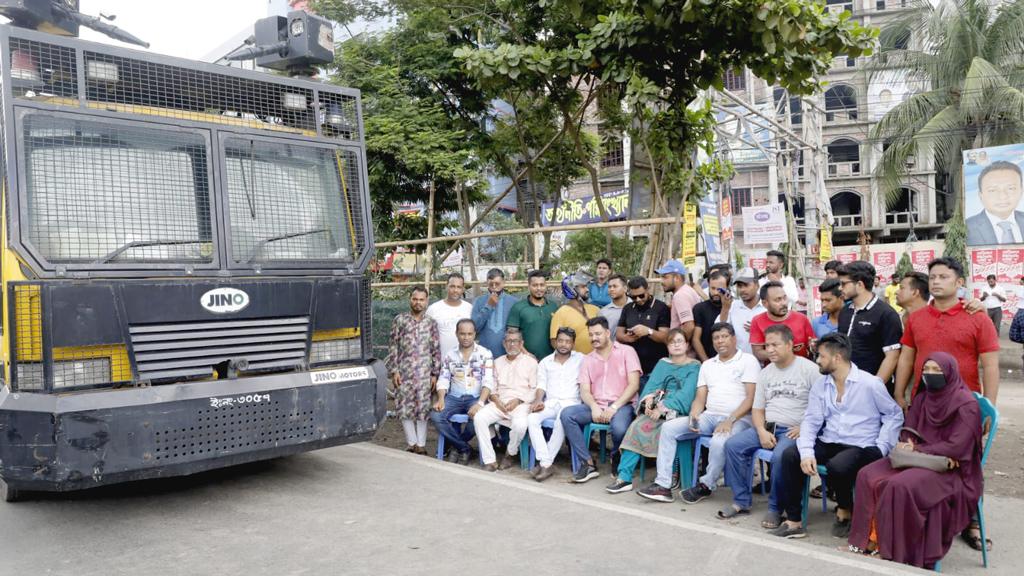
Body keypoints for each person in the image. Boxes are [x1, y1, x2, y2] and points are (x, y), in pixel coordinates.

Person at [847, 353, 983, 568]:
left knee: (899, 485)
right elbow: (909, 429)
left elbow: (957, 447)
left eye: (937, 371)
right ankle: (865, 543)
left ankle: (891, 549)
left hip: (948, 468)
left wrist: (918, 448)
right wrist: (907, 442)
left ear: (950, 372)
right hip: (916, 457)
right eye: (926, 370)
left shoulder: (966, 404)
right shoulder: (923, 398)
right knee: (866, 474)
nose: (930, 375)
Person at [772, 333, 903, 539]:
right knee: (790, 455)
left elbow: (894, 415)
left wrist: (882, 446)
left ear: (837, 358)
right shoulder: (821, 385)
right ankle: (794, 521)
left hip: (861, 445)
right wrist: (806, 452)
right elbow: (812, 420)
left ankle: (845, 509)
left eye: (821, 356)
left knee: (838, 466)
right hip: (830, 440)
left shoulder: (870, 384)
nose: (817, 361)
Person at [637, 322, 759, 503]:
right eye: (716, 338)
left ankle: (706, 485)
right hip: (710, 416)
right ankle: (663, 484)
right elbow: (700, 397)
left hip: (739, 418)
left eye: (724, 336)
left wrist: (730, 420)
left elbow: (750, 399)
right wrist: (694, 414)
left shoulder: (748, 361)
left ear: (734, 338)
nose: (720, 341)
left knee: (719, 441)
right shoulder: (708, 365)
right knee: (669, 428)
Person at [721, 325, 819, 524]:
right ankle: (741, 500)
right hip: (768, 427)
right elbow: (757, 409)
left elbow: (822, 406)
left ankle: (776, 507)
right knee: (732, 445)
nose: (770, 349)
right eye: (767, 345)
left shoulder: (810, 370)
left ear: (790, 344)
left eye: (776, 344)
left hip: (794, 431)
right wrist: (760, 431)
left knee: (781, 456)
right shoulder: (766, 373)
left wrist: (805, 427)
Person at [895, 257, 1000, 409]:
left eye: (943, 277)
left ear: (959, 283)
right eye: (932, 277)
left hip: (964, 404)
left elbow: (990, 366)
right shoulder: (916, 318)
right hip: (923, 403)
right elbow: (906, 359)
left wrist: (989, 407)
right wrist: (899, 394)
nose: (936, 281)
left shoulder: (978, 318)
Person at [605, 329, 700, 494]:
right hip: (656, 409)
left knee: (666, 429)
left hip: (678, 411)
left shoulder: (695, 366)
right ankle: (624, 477)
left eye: (679, 341)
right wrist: (649, 401)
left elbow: (687, 393)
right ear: (667, 346)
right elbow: (652, 386)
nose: (676, 345)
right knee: (636, 426)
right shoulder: (663, 363)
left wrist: (663, 409)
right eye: (672, 342)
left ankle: (673, 473)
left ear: (687, 344)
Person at [561, 317, 642, 483]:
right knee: (567, 415)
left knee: (619, 428)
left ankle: (616, 456)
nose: (594, 338)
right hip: (597, 406)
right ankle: (588, 463)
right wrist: (593, 407)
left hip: (622, 405)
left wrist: (614, 407)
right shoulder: (588, 359)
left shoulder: (627, 352)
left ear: (607, 333)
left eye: (597, 334)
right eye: (591, 335)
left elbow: (634, 385)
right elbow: (584, 390)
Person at [386, 285, 442, 454]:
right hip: (404, 372)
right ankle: (411, 443)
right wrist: (394, 370)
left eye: (421, 300)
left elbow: (436, 349)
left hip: (425, 374)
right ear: (410, 300)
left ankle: (421, 444)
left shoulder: (431, 323)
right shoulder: (400, 320)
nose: (418, 303)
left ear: (426, 301)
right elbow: (393, 346)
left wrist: (434, 374)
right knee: (405, 407)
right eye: (415, 299)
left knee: (423, 408)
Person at [472, 329, 539, 472]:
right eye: (509, 341)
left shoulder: (531, 363)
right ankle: (489, 460)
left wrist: (518, 401)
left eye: (515, 341)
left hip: (521, 404)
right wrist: (496, 400)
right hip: (499, 403)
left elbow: (534, 390)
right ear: (504, 343)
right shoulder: (497, 362)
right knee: (479, 418)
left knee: (520, 425)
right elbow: (492, 387)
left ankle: (510, 454)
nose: (512, 344)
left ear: (521, 344)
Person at [430, 319, 495, 465]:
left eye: (469, 334)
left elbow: (488, 381)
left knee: (479, 417)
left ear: (474, 334)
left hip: (476, 397)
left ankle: (456, 447)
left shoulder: (485, 354)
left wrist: (480, 403)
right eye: (462, 334)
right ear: (456, 334)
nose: (466, 337)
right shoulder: (450, 354)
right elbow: (444, 379)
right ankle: (464, 448)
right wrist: (441, 399)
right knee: (436, 415)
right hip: (454, 397)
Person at [528, 327, 585, 482]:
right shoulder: (546, 362)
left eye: (568, 341)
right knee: (532, 419)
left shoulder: (581, 359)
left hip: (571, 403)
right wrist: (538, 400)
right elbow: (541, 385)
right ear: (555, 342)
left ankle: (545, 464)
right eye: (560, 341)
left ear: (573, 344)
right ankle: (546, 461)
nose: (563, 344)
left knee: (562, 419)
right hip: (551, 402)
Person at [837, 261, 904, 387]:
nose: (840, 288)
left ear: (860, 285)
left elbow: (892, 356)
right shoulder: (845, 311)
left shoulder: (886, 314)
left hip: (872, 389)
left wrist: (873, 388)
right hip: (846, 386)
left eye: (843, 284)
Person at [616, 276, 671, 378]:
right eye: (633, 297)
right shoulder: (628, 308)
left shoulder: (661, 308)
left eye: (641, 296)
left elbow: (666, 337)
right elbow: (619, 334)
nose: (638, 299)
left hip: (655, 367)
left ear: (648, 289)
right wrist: (627, 338)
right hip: (632, 366)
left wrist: (649, 332)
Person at [750, 281, 816, 363]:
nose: (784, 303)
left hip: (802, 371)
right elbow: (758, 352)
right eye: (778, 300)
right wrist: (781, 353)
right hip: (774, 372)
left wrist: (814, 346)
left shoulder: (802, 319)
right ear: (765, 303)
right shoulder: (757, 321)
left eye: (784, 298)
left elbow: (811, 344)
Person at [966, 160, 1024, 245]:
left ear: (1021, 191)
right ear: (980, 195)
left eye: (1010, 188)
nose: (1003, 196)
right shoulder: (967, 227)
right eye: (992, 190)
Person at [507, 270, 559, 360]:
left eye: (542, 285)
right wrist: (526, 354)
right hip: (526, 360)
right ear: (529, 287)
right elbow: (512, 335)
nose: (539, 288)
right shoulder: (518, 307)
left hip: (551, 360)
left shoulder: (553, 306)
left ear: (546, 286)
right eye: (535, 285)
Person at [471, 268, 519, 358]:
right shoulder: (479, 301)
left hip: (507, 355)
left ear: (503, 283)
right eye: (490, 284)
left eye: (497, 283)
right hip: (484, 355)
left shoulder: (514, 302)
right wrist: (488, 306)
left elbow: (518, 331)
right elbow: (474, 327)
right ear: (486, 283)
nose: (494, 286)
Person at [550, 272, 601, 353]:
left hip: (597, 361)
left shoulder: (595, 309)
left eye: (586, 287)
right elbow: (554, 341)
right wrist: (571, 359)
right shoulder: (561, 313)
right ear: (572, 289)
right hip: (575, 363)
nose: (587, 289)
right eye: (583, 287)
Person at [658, 259, 702, 352]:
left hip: (685, 355)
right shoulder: (687, 290)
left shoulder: (680, 296)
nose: (662, 281)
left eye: (665, 277)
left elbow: (689, 326)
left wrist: (678, 348)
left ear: (677, 278)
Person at [426, 273, 474, 358]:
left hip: (464, 363)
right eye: (452, 286)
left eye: (458, 287)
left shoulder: (469, 308)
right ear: (446, 286)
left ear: (463, 289)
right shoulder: (433, 309)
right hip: (441, 362)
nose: (455, 290)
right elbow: (426, 336)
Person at [720, 267, 766, 354]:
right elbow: (719, 329)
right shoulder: (732, 306)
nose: (742, 290)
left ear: (757, 285)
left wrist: (759, 331)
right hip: (740, 364)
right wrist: (725, 308)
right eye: (739, 286)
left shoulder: (767, 306)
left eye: (746, 285)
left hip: (766, 362)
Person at [692, 269, 731, 361]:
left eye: (719, 289)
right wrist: (706, 362)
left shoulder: (736, 307)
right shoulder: (700, 308)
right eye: (712, 288)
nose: (716, 292)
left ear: (727, 287)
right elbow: (696, 339)